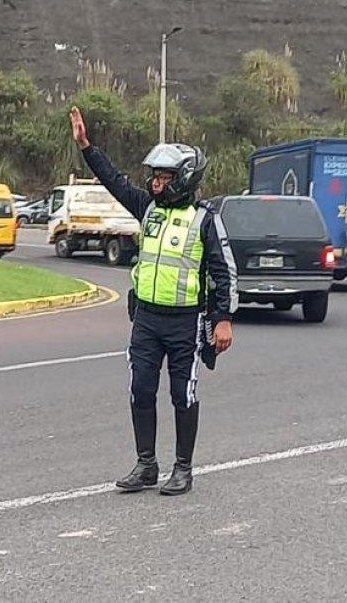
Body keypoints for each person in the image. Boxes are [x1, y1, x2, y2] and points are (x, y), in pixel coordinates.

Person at [69, 106, 237, 496]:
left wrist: (224, 318)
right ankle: (147, 465)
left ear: (185, 179)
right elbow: (114, 181)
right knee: (141, 389)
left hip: (186, 323)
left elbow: (224, 270)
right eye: (156, 176)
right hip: (146, 319)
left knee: (184, 394)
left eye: (165, 176)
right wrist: (86, 147)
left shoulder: (205, 220)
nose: (157, 182)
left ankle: (183, 468)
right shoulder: (148, 209)